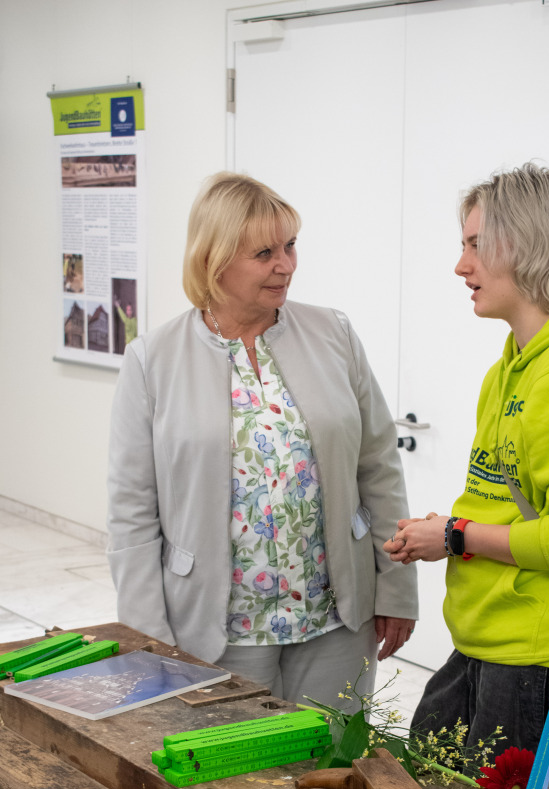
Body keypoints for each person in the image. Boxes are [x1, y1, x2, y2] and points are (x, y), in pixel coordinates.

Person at [108, 172, 417, 705]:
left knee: (332, 772)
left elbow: (379, 467)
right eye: (264, 252)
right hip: (218, 631)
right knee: (235, 785)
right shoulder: (152, 361)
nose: (286, 265)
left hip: (335, 621)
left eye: (290, 245)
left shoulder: (333, 333)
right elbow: (132, 511)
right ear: (214, 259)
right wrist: (147, 639)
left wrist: (396, 588)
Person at [384, 163, 549, 753]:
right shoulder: (512, 365)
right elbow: (511, 508)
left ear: (526, 248)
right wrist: (446, 530)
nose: (461, 265)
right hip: (489, 644)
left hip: (542, 659)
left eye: (476, 246)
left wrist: (455, 536)